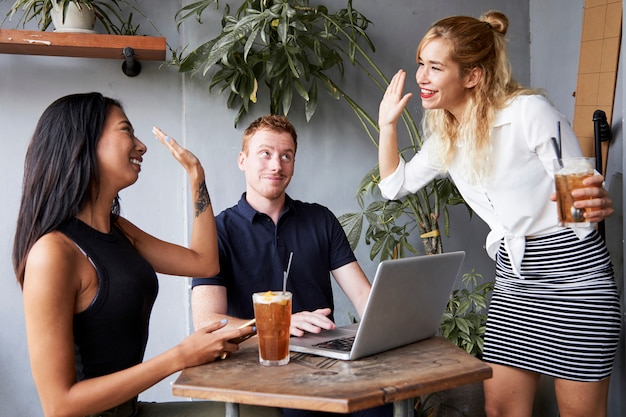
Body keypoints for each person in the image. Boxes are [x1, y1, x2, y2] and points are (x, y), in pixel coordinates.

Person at [376, 11, 620, 417]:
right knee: (501, 412)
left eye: (436, 67)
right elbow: (394, 187)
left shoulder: (529, 113)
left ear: (472, 76)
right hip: (514, 285)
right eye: (422, 63)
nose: (422, 76)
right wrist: (388, 126)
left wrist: (591, 201)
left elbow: (580, 200)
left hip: (575, 283)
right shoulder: (447, 134)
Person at [12, 92, 254, 417]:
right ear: (83, 142)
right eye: (126, 130)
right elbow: (59, 405)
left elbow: (203, 261)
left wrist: (197, 176)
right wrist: (181, 356)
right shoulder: (53, 253)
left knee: (261, 413)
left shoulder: (118, 230)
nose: (141, 145)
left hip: (130, 411)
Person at [191, 115, 393, 417]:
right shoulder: (217, 231)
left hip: (326, 364)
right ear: (242, 160)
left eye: (287, 156)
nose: (277, 165)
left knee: (381, 406)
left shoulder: (321, 219)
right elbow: (207, 323)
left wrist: (392, 329)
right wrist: (277, 327)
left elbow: (364, 297)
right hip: (258, 366)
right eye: (265, 154)